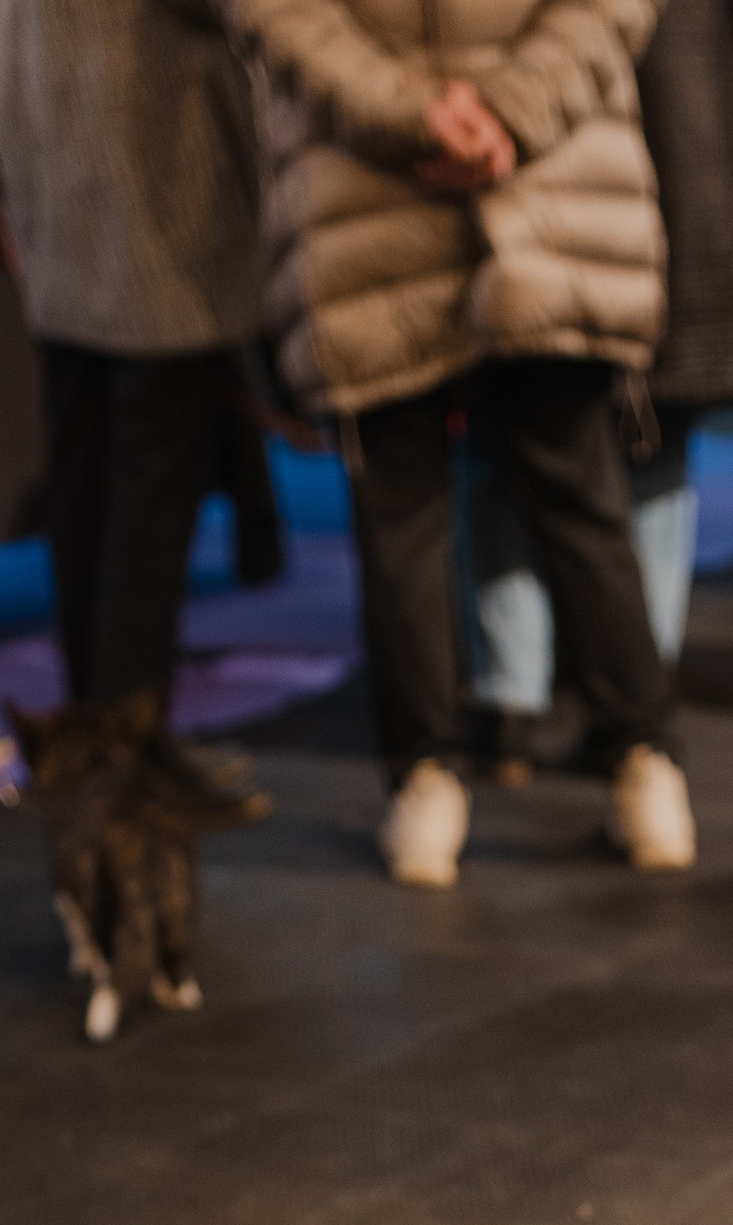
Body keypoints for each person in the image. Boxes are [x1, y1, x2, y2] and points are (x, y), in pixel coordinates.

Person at [232, 0, 698, 884]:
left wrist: (427, 114)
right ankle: (644, 769)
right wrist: (500, 114)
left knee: (413, 514)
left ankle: (430, 790)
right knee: (576, 495)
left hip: (374, 185)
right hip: (532, 184)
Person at [0, 0, 270, 792]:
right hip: (166, 152)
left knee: (91, 460)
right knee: (143, 479)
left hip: (44, 142)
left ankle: (102, 734)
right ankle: (122, 747)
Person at [460, 0, 733, 773]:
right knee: (655, 438)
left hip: (525, 137)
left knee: (506, 422)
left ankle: (508, 697)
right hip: (689, 127)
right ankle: (639, 705)